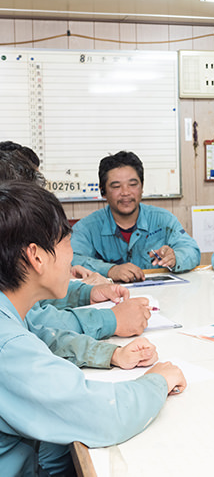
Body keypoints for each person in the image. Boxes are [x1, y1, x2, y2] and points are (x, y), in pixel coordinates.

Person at [0, 181, 186, 476]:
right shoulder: (7, 346)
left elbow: (46, 337)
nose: (72, 258)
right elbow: (103, 414)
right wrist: (159, 381)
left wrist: (110, 354)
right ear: (36, 257)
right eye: (67, 244)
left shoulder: (9, 312)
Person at [0, 149, 154, 339]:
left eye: (133, 184)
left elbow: (36, 305)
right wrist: (111, 320)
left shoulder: (162, 217)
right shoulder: (11, 331)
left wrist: (86, 293)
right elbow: (39, 325)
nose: (125, 193)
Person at [71, 151, 200, 282]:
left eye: (133, 185)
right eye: (116, 186)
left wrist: (175, 257)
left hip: (159, 295)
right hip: (109, 298)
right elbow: (71, 259)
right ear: (103, 192)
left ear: (142, 187)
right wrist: (110, 270)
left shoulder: (164, 219)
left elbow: (192, 251)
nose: (126, 192)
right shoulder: (86, 227)